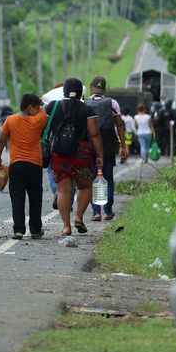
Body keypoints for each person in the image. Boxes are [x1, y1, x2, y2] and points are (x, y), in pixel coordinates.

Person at [43, 78, 103, 237]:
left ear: (63, 91)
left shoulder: (53, 107)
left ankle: (66, 227)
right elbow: (94, 134)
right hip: (81, 154)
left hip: (59, 154)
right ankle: (78, 218)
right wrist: (100, 155)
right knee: (85, 186)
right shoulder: (87, 110)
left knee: (63, 191)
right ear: (81, 92)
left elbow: (43, 128)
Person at [0, 94, 48, 240]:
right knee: (35, 198)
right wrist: (41, 104)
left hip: (17, 165)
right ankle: (36, 230)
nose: (38, 110)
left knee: (17, 198)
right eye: (35, 107)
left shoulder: (10, 120)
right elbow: (45, 111)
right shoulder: (39, 119)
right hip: (35, 165)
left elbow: (1, 140)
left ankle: (18, 230)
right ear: (30, 107)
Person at [85, 76, 128, 222]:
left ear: (91, 88)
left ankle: (96, 212)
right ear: (104, 90)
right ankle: (108, 211)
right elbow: (119, 125)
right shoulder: (112, 103)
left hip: (89, 146)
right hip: (107, 146)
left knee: (92, 179)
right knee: (107, 178)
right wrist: (123, 145)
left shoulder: (85, 103)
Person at [41, 81, 75, 210]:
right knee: (72, 171)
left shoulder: (53, 105)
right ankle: (69, 202)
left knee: (51, 169)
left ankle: (57, 193)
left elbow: (43, 122)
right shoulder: (76, 104)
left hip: (55, 140)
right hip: (73, 140)